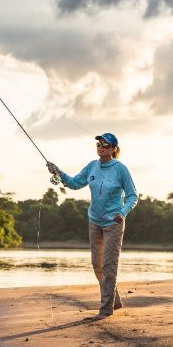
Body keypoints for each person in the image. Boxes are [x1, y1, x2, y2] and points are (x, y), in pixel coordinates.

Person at [46, 133, 138, 319]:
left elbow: (132, 196)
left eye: (105, 144)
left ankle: (105, 310)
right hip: (94, 221)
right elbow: (73, 183)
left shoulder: (121, 169)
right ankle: (115, 300)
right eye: (99, 143)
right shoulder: (92, 166)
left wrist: (122, 212)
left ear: (113, 149)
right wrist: (58, 172)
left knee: (109, 265)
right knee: (97, 265)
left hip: (114, 222)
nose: (101, 146)